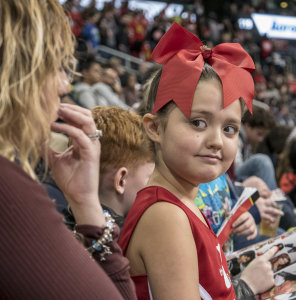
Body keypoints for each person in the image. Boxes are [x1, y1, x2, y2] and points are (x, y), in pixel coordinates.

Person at [118, 22, 277, 299]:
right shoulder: (166, 216)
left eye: (229, 128)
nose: (217, 140)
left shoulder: (183, 202)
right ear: (155, 128)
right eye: (198, 122)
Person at [0, 0, 136, 298]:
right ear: (18, 74)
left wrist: (84, 198)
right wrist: (87, 203)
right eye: (57, 67)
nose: (64, 86)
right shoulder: (7, 189)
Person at [64, 106, 155, 230]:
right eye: (150, 178)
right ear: (121, 180)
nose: (155, 186)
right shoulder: (129, 241)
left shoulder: (63, 222)